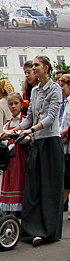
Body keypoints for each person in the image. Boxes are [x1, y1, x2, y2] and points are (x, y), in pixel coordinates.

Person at [6, 56, 63, 246]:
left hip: (50, 142)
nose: (34, 68)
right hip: (37, 143)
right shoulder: (35, 91)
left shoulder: (55, 89)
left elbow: (51, 117)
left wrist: (31, 130)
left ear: (46, 68)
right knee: (33, 186)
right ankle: (30, 229)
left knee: (49, 189)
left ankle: (48, 232)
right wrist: (14, 130)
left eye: (37, 65)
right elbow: (29, 116)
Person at [0, 93, 28, 216]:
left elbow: (27, 138)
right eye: (11, 104)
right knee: (9, 180)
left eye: (16, 103)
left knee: (19, 180)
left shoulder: (25, 121)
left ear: (21, 105)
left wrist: (16, 136)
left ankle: (19, 207)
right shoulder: (8, 123)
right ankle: (8, 206)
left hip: (20, 156)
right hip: (10, 157)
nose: (13, 106)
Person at [58, 75, 70, 216]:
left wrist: (66, 132)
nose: (61, 89)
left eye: (63, 86)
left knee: (67, 180)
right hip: (65, 146)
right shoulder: (65, 102)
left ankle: (60, 207)